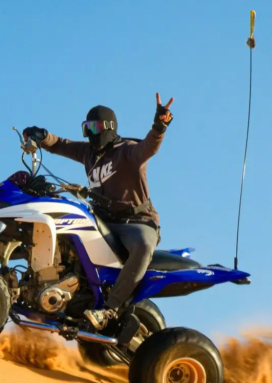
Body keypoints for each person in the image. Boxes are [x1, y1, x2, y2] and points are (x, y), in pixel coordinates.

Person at [24, 93, 174, 330]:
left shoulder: (128, 151)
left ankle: (110, 310)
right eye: (87, 128)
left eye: (96, 127)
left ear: (109, 127)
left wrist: (159, 126)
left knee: (144, 247)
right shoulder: (88, 153)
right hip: (102, 221)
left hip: (136, 222)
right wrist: (42, 136)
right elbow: (61, 145)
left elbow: (150, 147)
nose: (92, 133)